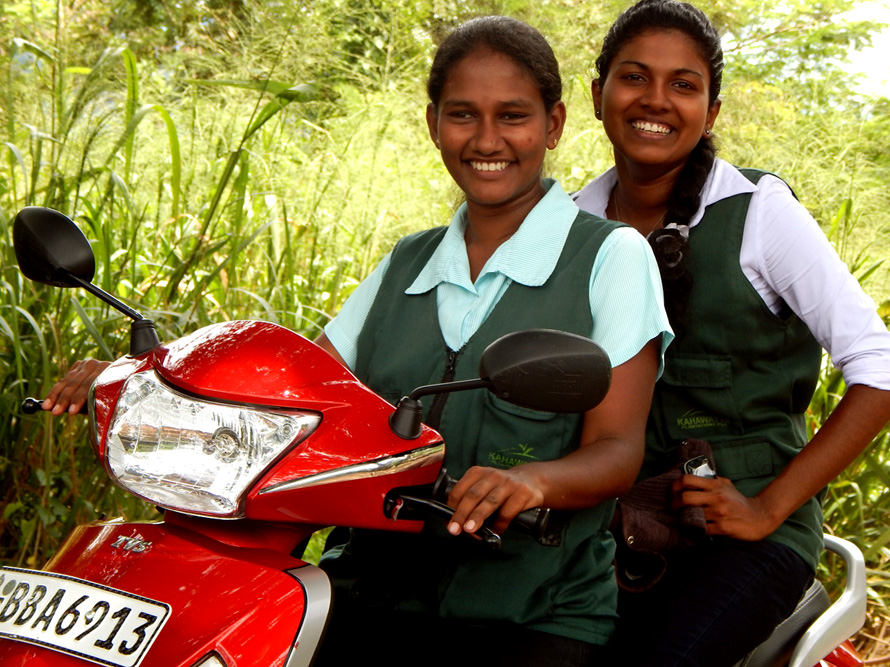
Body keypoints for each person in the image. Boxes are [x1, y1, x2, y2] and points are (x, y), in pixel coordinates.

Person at [44, 15, 672, 666]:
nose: (488, 139)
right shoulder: (408, 262)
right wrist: (141, 376)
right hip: (365, 592)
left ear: (554, 124)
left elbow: (618, 449)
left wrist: (536, 479)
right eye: (463, 115)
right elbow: (292, 391)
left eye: (512, 116)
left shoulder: (609, 256)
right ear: (434, 125)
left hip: (530, 611)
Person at [571, 1, 890, 665]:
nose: (655, 100)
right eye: (635, 78)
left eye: (683, 85)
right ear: (599, 94)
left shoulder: (759, 213)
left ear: (711, 111)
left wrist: (769, 508)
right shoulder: (573, 223)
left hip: (746, 540)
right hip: (613, 527)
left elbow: (878, 366)